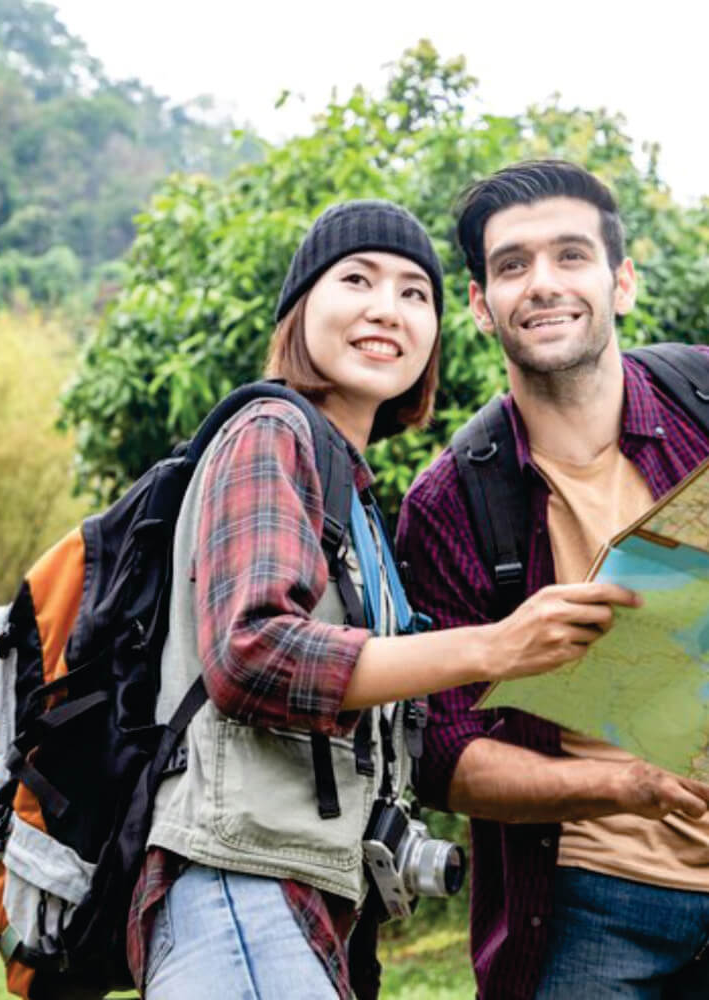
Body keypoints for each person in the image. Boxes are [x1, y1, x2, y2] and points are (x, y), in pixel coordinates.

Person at [126, 198, 640, 1000]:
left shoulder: (353, 494)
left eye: (413, 293)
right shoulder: (271, 431)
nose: (385, 309)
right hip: (240, 879)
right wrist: (496, 646)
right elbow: (252, 652)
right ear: (301, 310)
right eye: (356, 280)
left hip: (309, 900)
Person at [397, 161, 709, 1000]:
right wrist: (628, 787)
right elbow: (444, 757)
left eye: (571, 256)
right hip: (591, 904)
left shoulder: (702, 400)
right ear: (478, 303)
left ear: (622, 282)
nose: (543, 284)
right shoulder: (452, 500)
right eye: (511, 265)